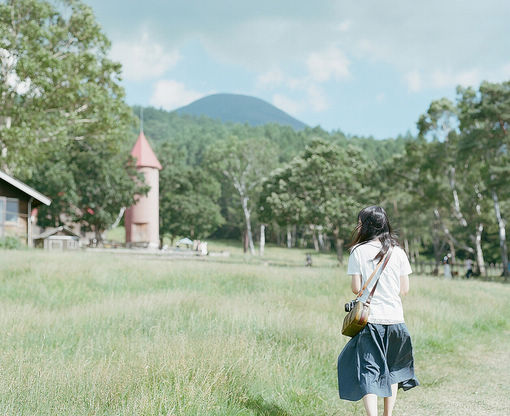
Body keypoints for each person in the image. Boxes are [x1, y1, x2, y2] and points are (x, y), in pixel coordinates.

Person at [337, 206, 419, 416]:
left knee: (369, 371)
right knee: (392, 371)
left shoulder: (358, 251)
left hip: (370, 321)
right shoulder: (398, 251)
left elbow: (356, 288)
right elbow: (405, 290)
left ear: (365, 226)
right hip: (396, 321)